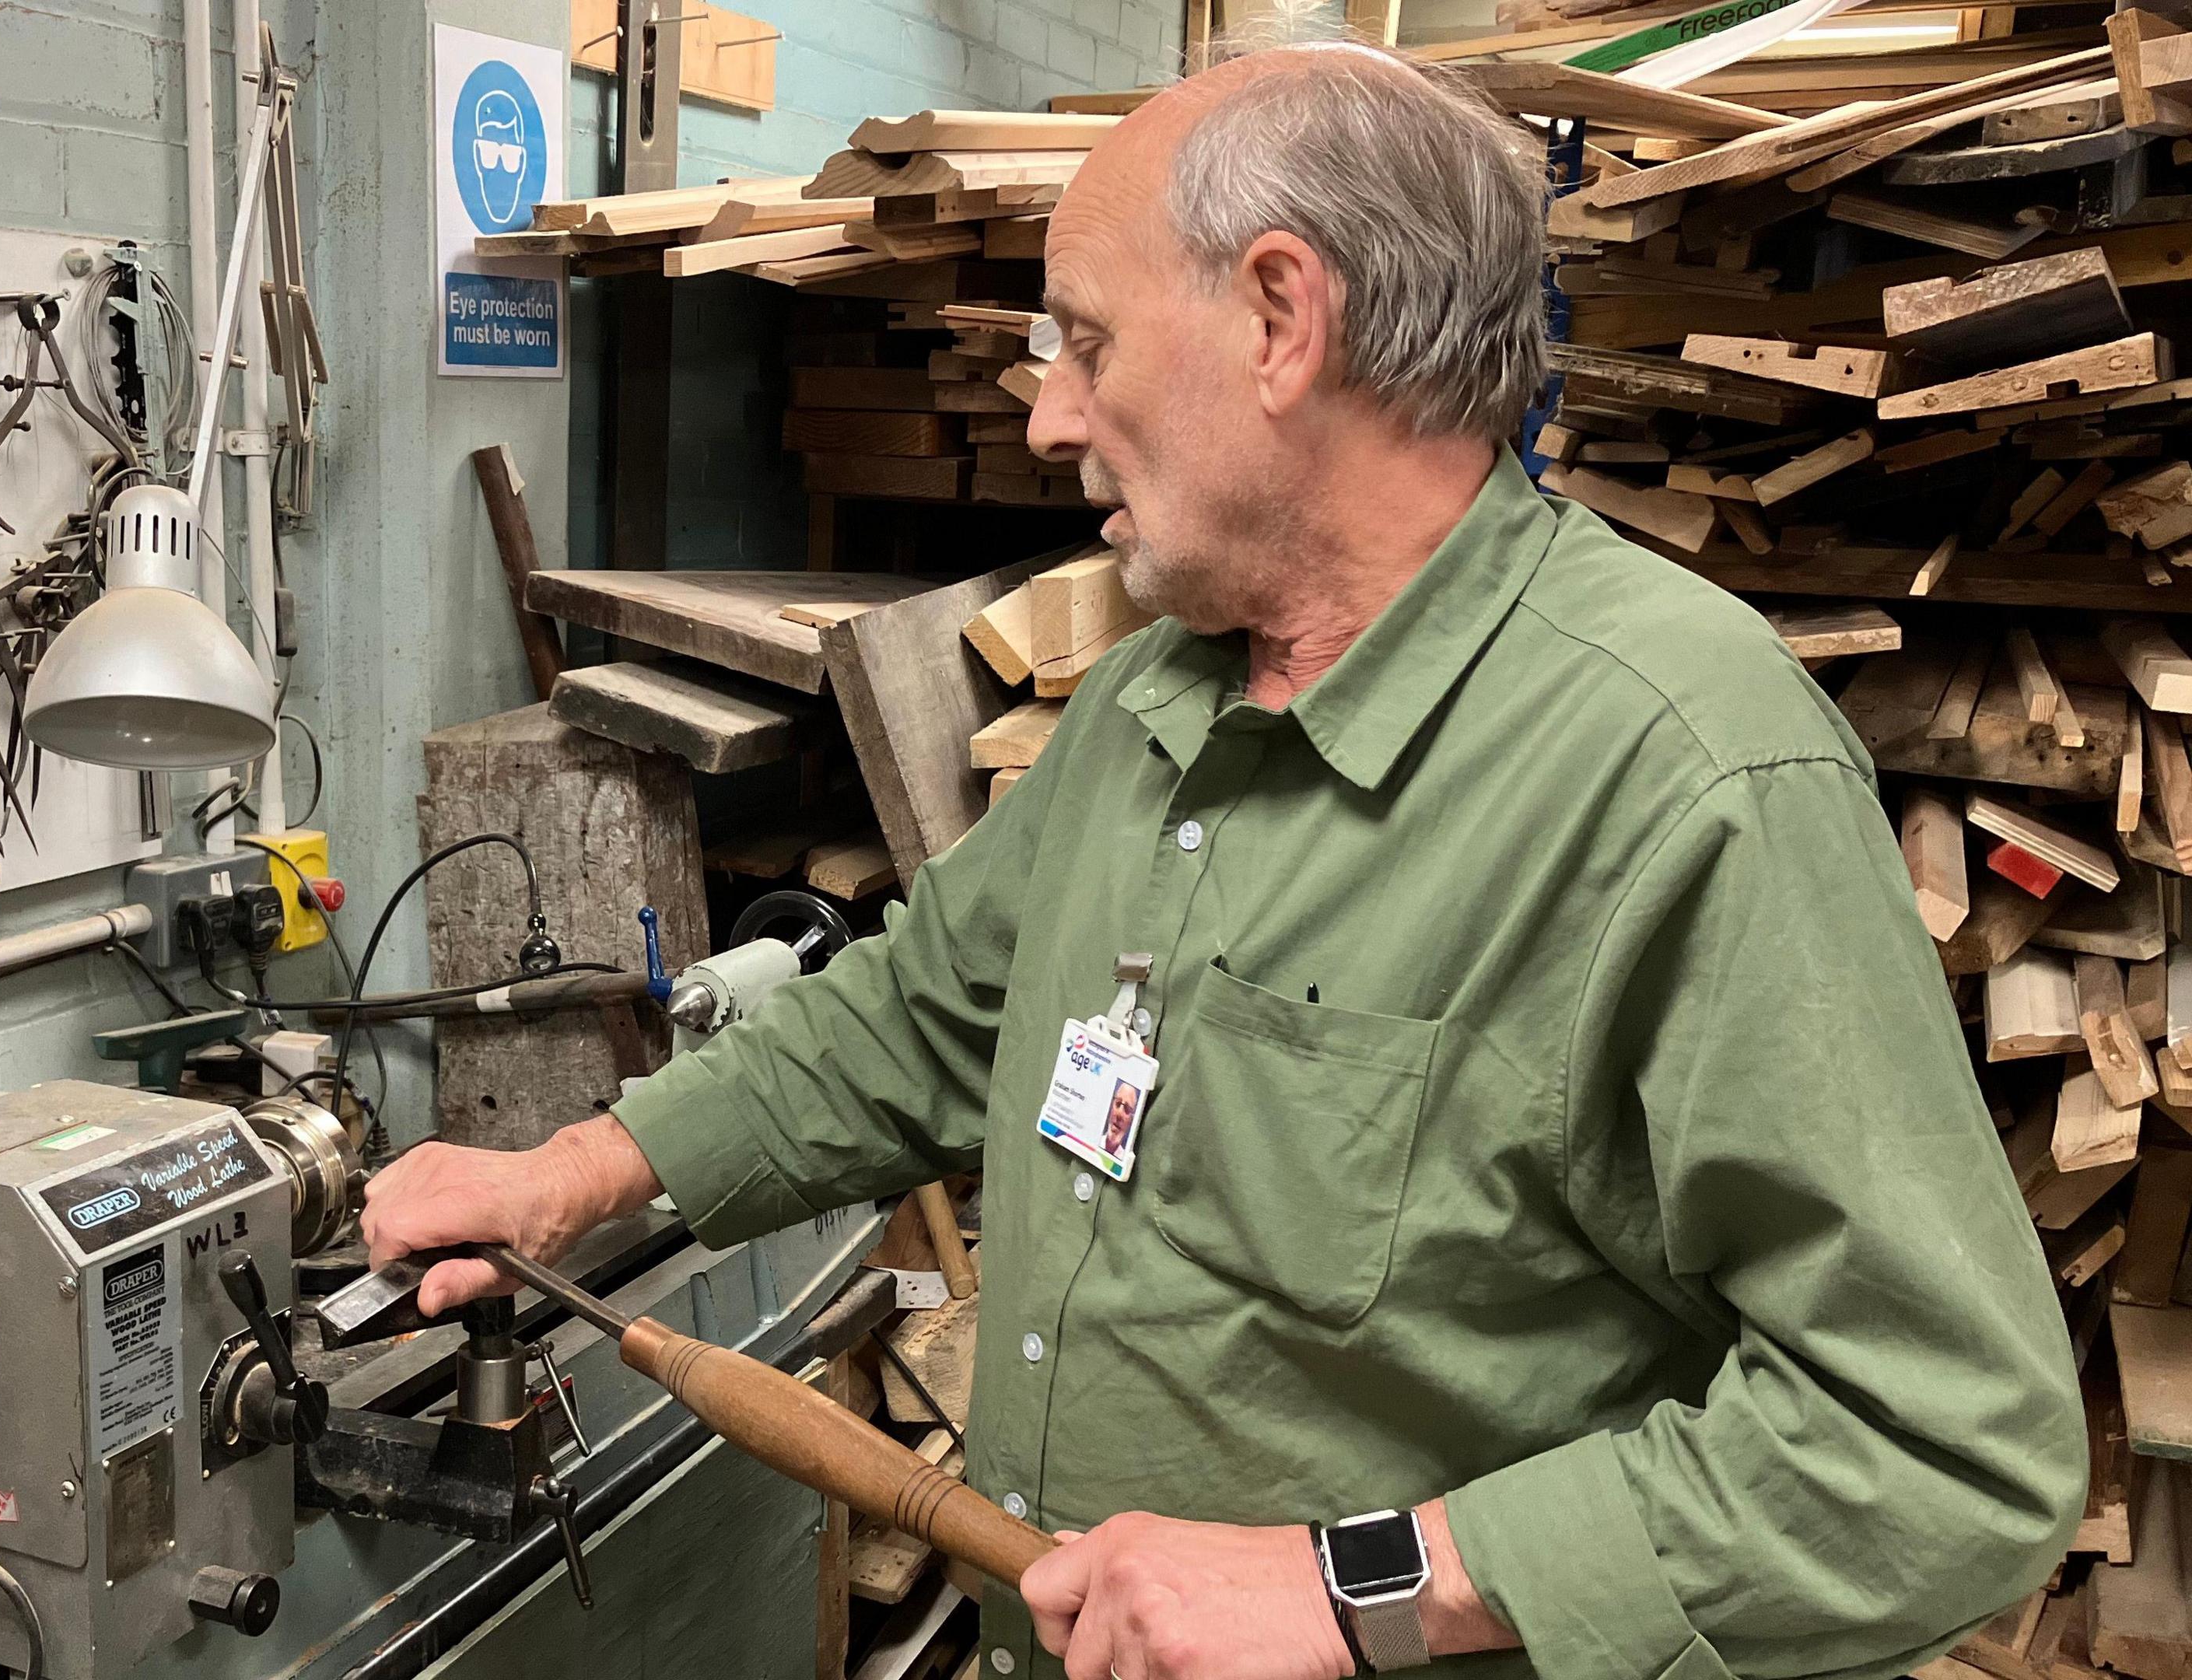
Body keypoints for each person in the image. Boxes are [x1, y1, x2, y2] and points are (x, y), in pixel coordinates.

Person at [363, 41, 2084, 1680]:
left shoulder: (1684, 771)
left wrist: (1352, 1594)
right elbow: (921, 1021)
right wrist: (576, 1175)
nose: (1049, 418)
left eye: (1086, 344)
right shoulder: (1157, 697)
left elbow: (1940, 1448)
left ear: (1281, 317)